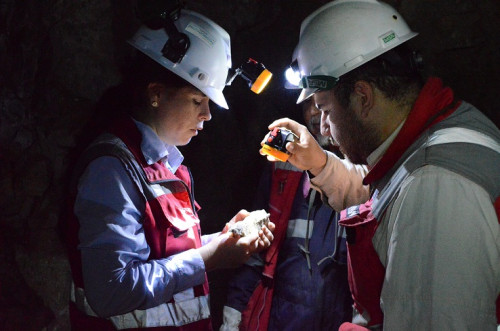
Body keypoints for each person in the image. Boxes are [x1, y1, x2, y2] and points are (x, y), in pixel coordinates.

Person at [265, 0, 500, 330]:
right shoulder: (433, 135)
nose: (325, 129)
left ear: (363, 97)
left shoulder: (435, 187)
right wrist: (318, 162)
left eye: (327, 110)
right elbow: (383, 195)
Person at [65, 7, 275, 331]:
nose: (207, 114)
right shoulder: (111, 170)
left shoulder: (165, 166)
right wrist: (210, 258)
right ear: (156, 94)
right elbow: (111, 291)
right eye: (197, 100)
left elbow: (163, 257)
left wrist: (222, 240)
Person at [220, 98, 369, 331]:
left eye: (322, 101)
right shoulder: (282, 163)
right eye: (307, 102)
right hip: (283, 315)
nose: (314, 112)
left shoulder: (368, 166)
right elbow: (254, 252)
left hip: (339, 315)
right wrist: (233, 318)